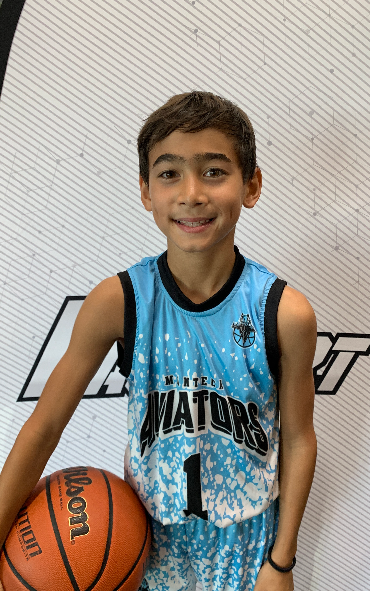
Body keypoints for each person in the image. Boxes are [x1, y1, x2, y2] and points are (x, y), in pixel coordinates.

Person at [0, 91, 317, 591]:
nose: (192, 193)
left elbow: (298, 439)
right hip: (146, 550)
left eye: (214, 171)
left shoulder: (283, 312)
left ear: (251, 185)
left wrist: (281, 562)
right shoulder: (119, 301)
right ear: (146, 191)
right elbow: (44, 427)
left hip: (248, 551)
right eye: (169, 173)